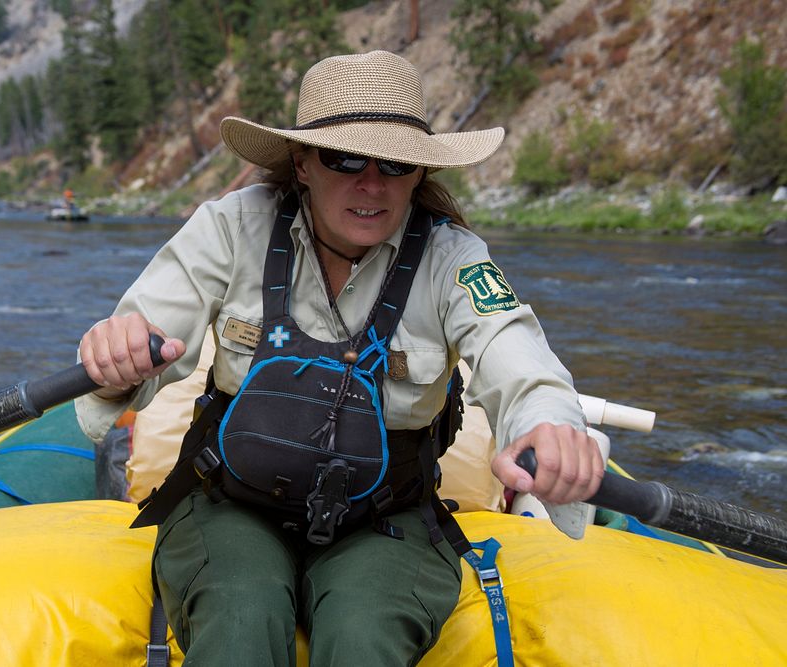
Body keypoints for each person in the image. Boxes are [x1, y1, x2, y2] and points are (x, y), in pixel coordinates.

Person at [76, 50, 603, 666]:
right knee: (240, 617)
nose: (372, 184)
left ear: (418, 172)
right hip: (232, 501)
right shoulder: (228, 228)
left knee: (364, 635)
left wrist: (550, 426)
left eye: (396, 163)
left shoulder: (456, 259)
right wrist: (117, 357)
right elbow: (144, 335)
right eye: (345, 158)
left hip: (387, 514)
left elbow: (519, 361)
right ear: (302, 163)